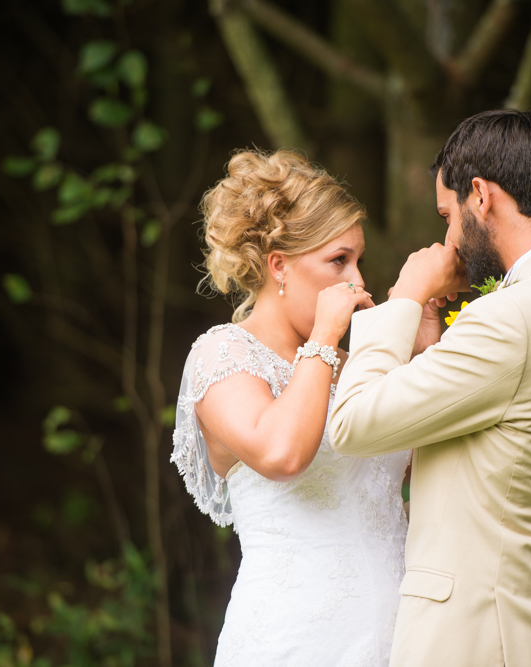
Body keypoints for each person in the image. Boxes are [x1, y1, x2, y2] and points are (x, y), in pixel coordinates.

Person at [329, 109, 531, 666]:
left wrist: (404, 295)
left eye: (448, 215)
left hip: (472, 641)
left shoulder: (512, 319)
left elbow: (353, 422)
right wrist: (426, 344)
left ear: (481, 195)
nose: (448, 238)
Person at [171, 149, 411, 666]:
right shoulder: (223, 355)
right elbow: (282, 454)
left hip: (399, 642)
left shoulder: (353, 366)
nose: (358, 283)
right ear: (279, 266)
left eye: (358, 261)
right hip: (294, 642)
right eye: (338, 261)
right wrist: (324, 337)